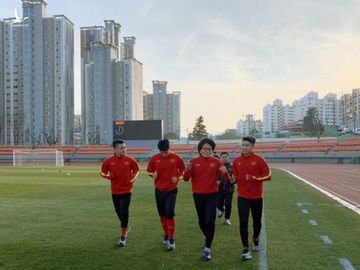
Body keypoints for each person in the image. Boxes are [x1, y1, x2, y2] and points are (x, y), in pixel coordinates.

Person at [183, 138, 228, 261]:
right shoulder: (193, 162)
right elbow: (186, 179)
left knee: (210, 221)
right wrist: (187, 170)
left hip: (212, 195)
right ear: (200, 150)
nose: (207, 151)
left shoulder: (217, 162)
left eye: (210, 149)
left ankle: (207, 249)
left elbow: (225, 177)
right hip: (197, 195)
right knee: (201, 221)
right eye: (204, 149)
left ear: (213, 151)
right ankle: (207, 236)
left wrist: (225, 172)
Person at [232, 136, 271, 260]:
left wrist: (254, 178)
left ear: (252, 146)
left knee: (256, 222)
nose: (244, 147)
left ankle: (255, 238)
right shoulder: (236, 161)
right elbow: (235, 178)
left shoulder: (259, 160)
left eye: (247, 145)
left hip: (256, 197)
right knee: (243, 222)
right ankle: (245, 248)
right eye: (243, 145)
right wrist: (232, 179)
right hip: (242, 196)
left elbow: (268, 176)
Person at [147, 139, 186, 251]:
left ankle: (171, 238)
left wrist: (177, 177)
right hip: (159, 190)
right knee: (162, 214)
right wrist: (152, 175)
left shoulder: (177, 158)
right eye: (162, 152)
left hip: (171, 190)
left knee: (169, 213)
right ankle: (166, 233)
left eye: (166, 152)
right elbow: (149, 171)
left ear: (169, 148)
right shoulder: (154, 158)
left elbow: (183, 171)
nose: (164, 154)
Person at [100, 140, 140, 247]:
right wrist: (109, 176)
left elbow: (137, 170)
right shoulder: (109, 161)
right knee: (118, 212)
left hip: (127, 190)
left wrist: (132, 179)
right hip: (115, 191)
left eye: (125, 147)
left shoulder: (130, 160)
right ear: (115, 149)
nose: (124, 149)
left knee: (124, 211)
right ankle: (126, 227)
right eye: (122, 148)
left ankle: (123, 237)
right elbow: (102, 172)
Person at [216, 152, 235, 225]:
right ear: (220, 158)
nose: (224, 158)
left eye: (226, 157)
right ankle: (221, 209)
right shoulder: (217, 166)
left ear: (228, 158)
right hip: (219, 190)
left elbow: (233, 180)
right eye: (223, 157)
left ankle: (227, 219)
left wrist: (227, 173)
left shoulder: (232, 167)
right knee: (218, 204)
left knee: (228, 204)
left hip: (229, 190)